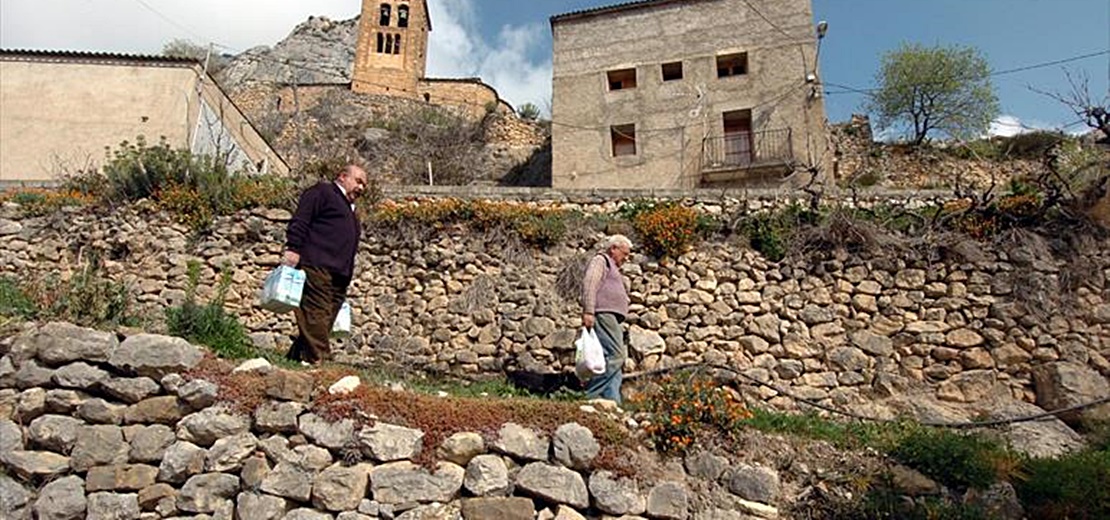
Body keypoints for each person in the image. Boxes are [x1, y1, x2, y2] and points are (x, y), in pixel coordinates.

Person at [282, 164, 369, 365]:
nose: (361, 188)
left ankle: (296, 357)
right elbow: (301, 220)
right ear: (343, 176)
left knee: (324, 319)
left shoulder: (349, 207)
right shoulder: (321, 192)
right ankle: (320, 360)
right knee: (316, 313)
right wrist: (293, 248)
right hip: (316, 263)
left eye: (364, 185)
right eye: (358, 181)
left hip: (339, 273)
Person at [580, 235, 633, 403]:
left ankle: (612, 401)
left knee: (613, 360)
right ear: (614, 249)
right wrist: (589, 310)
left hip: (612, 315)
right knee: (617, 355)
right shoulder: (600, 261)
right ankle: (590, 394)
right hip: (604, 312)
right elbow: (590, 283)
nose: (626, 258)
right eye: (624, 254)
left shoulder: (613, 267)